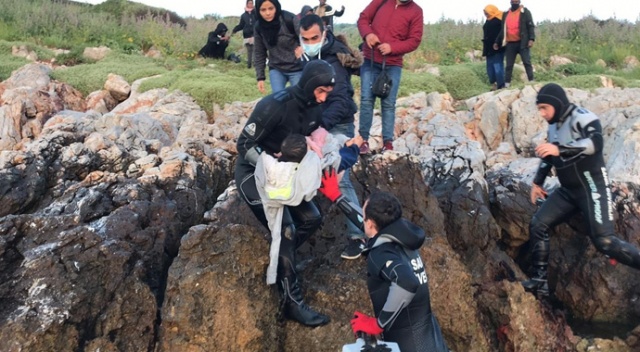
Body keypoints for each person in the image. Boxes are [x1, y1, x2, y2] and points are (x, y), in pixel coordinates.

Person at [235, 60, 336, 327]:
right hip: (254, 172)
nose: (324, 97)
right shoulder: (275, 105)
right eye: (321, 91)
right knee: (287, 229)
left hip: (286, 174)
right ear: (311, 85)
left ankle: (281, 264)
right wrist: (271, 165)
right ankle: (291, 302)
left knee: (312, 219)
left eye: (327, 92)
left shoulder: (316, 105)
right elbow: (243, 143)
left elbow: (313, 133)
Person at [522, 83, 640, 296]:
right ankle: (539, 282)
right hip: (568, 191)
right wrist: (537, 183)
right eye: (539, 109)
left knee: (604, 241)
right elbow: (549, 156)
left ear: (556, 105)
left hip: (592, 187)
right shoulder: (553, 125)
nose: (541, 114)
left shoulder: (583, 117)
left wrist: (559, 148)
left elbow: (596, 144)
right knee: (538, 224)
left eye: (544, 108)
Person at [317, 181, 449, 351]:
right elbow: (365, 224)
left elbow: (407, 282)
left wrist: (378, 324)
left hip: (410, 346)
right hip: (431, 340)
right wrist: (337, 196)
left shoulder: (380, 254)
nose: (363, 219)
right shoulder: (403, 237)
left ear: (370, 223)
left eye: (365, 215)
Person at [299, 14, 367, 259]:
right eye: (305, 38)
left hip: (338, 125)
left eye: (314, 38)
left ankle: (359, 235)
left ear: (324, 34)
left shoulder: (333, 61)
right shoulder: (306, 58)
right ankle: (298, 229)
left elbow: (341, 101)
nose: (310, 41)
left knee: (336, 177)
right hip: (315, 124)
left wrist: (322, 128)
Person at [357, 0, 423, 154]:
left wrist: (393, 48)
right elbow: (363, 19)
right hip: (370, 60)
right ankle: (363, 140)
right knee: (366, 100)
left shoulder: (416, 11)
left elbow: (414, 40)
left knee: (388, 103)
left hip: (393, 64)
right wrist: (368, 34)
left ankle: (388, 143)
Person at [254, 0, 303, 94]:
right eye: (263, 10)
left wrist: (303, 47)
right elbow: (259, 52)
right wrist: (260, 77)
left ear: (276, 7)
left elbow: (306, 38)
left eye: (271, 8)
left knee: (299, 98)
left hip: (297, 68)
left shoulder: (289, 19)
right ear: (258, 11)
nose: (267, 13)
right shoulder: (259, 27)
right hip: (276, 68)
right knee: (278, 99)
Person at [493, 0, 535, 88]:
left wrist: (531, 39)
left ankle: (531, 81)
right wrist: (497, 41)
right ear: (510, 2)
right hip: (510, 43)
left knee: (526, 62)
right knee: (509, 65)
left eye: (516, 2)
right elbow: (503, 30)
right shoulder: (506, 14)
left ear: (519, 2)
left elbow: (530, 26)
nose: (515, 3)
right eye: (513, 1)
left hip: (522, 42)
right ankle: (507, 84)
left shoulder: (525, 12)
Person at [482, 5, 505, 91]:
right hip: (489, 49)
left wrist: (497, 43)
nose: (486, 14)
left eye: (487, 13)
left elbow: (503, 33)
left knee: (498, 67)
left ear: (492, 11)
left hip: (498, 48)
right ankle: (494, 84)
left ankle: (501, 85)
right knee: (490, 69)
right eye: (485, 13)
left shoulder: (500, 20)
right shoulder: (488, 20)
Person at [232, 0, 256, 69]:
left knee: (255, 50)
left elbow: (259, 23)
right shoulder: (243, 15)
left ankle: (255, 66)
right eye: (249, 3)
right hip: (247, 35)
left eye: (252, 3)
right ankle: (249, 66)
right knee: (249, 51)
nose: (250, 4)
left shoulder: (256, 14)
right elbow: (241, 25)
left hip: (255, 35)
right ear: (247, 4)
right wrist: (234, 30)